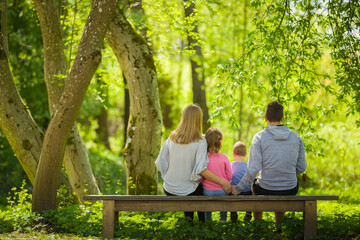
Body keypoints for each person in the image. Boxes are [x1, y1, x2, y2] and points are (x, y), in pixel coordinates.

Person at [232, 101, 307, 228]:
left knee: (256, 184)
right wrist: (285, 172)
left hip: (266, 188)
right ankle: (278, 227)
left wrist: (237, 188)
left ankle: (258, 226)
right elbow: (302, 167)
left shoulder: (259, 138)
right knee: (281, 185)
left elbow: (253, 169)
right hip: (290, 189)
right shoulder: (296, 137)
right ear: (282, 117)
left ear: (265, 118)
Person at [155, 104, 231, 223]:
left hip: (169, 189)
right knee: (200, 188)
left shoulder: (171, 138)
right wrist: (224, 182)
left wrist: (171, 177)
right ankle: (202, 225)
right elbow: (202, 170)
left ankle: (188, 224)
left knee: (191, 188)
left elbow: (159, 163)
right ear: (198, 120)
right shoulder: (200, 141)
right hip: (187, 191)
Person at [202, 128, 232, 223]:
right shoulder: (224, 157)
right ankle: (223, 221)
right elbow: (230, 176)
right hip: (222, 191)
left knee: (207, 210)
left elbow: (201, 176)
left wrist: (204, 183)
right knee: (223, 208)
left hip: (207, 191)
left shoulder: (203, 157)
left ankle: (208, 223)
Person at [230, 141, 252, 222]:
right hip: (246, 192)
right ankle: (248, 213)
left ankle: (233, 212)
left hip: (234, 193)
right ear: (246, 154)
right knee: (251, 192)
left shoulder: (230, 165)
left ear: (233, 154)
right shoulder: (248, 166)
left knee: (230, 194)